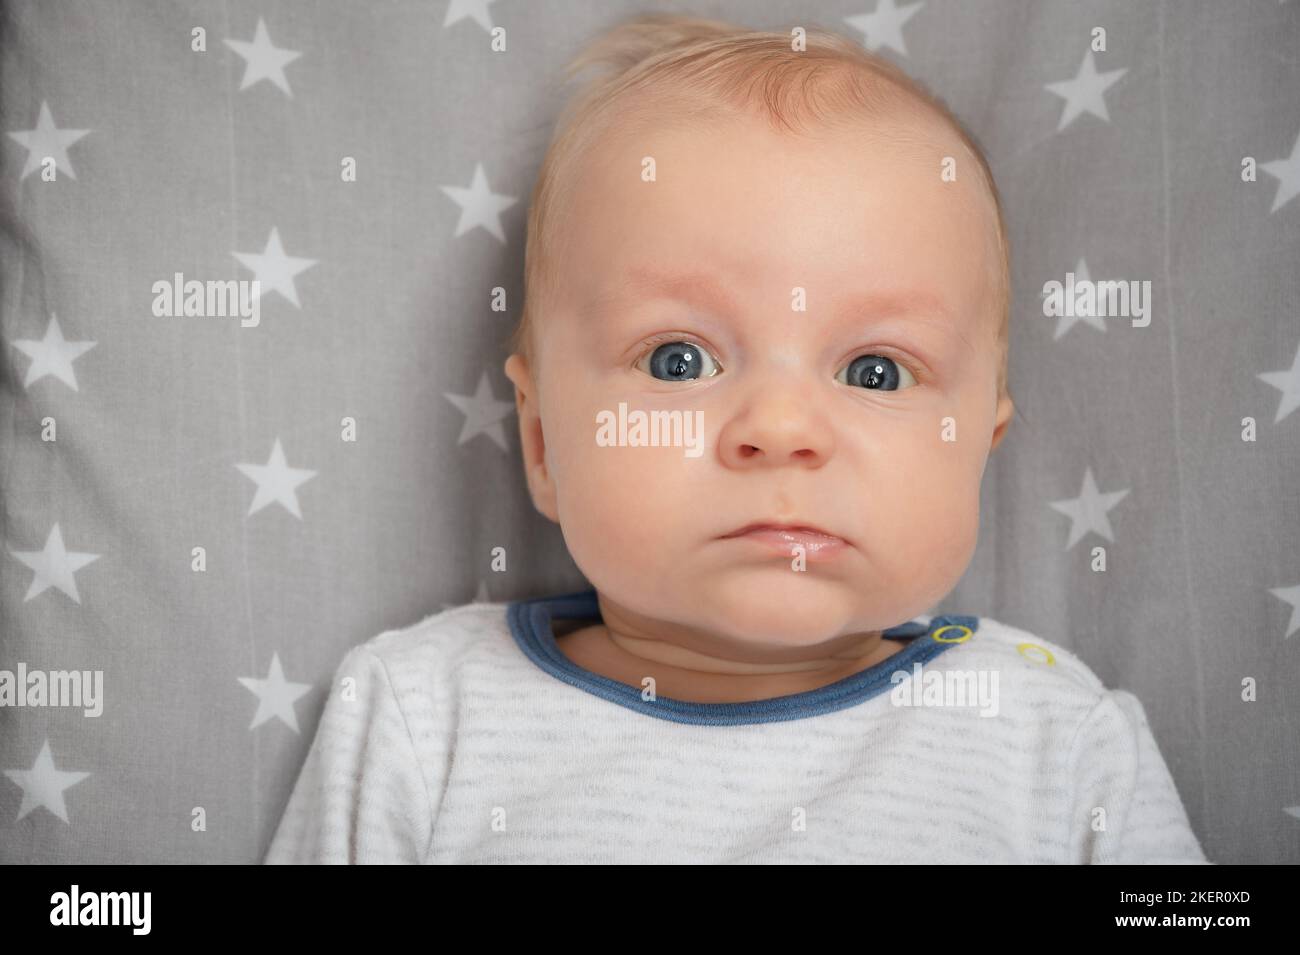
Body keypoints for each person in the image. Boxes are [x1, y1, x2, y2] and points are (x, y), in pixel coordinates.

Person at [265, 13, 1207, 864]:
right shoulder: (424, 716)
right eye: (679, 360)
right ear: (545, 443)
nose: (782, 429)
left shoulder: (1052, 736)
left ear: (979, 448)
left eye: (876, 372)